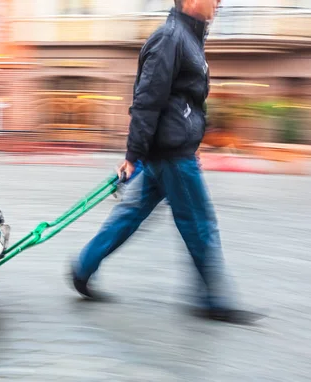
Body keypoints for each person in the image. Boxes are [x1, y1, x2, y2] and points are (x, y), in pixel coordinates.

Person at [70, 0, 262, 324]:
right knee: (200, 223)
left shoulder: (186, 37)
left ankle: (83, 268)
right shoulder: (170, 38)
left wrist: (183, 139)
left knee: (130, 215)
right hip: (171, 155)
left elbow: (183, 102)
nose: (219, 2)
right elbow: (146, 101)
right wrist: (133, 155)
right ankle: (213, 299)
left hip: (169, 150)